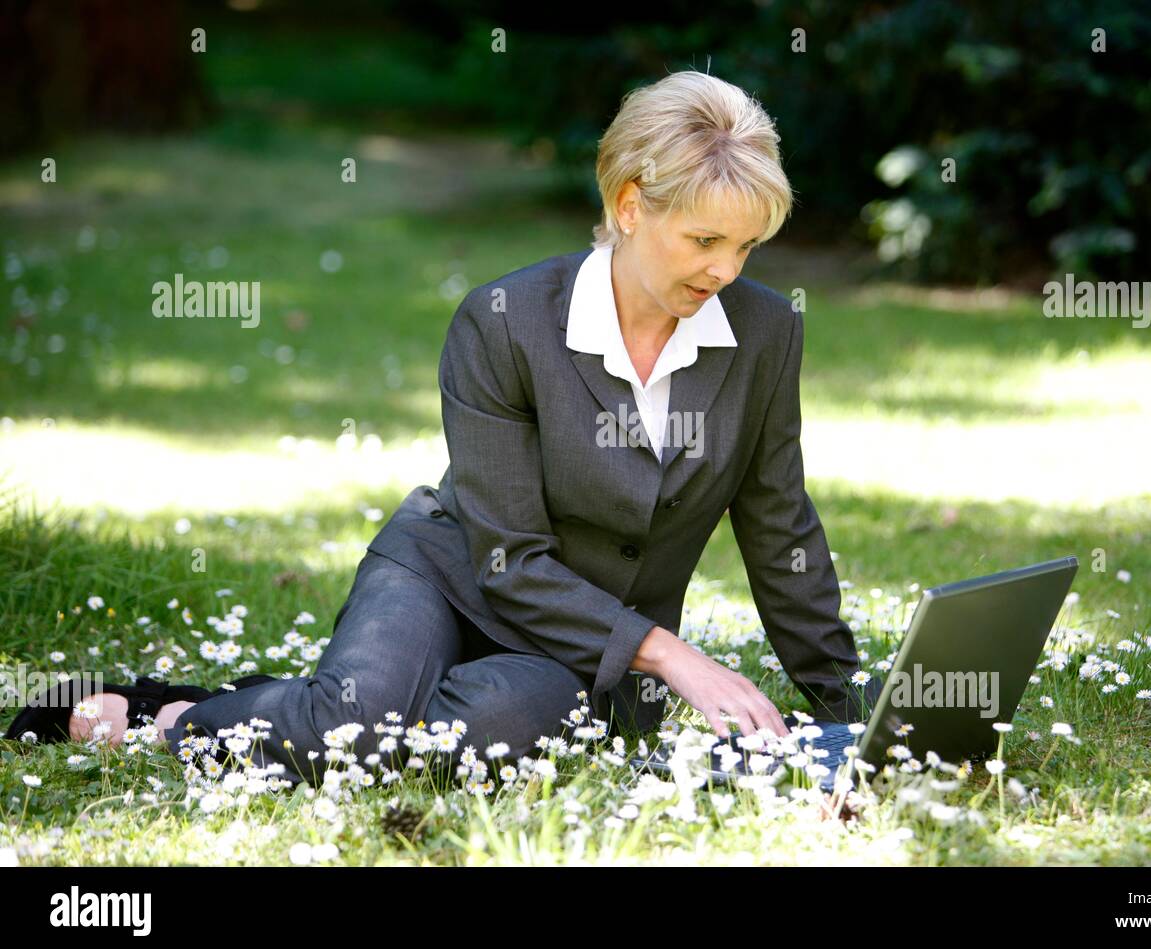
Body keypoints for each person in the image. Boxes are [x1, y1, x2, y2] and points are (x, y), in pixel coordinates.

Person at [40, 68, 870, 787]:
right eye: (705, 239)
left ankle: (341, 699)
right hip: (454, 571)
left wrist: (859, 719)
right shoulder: (503, 323)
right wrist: (674, 655)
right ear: (628, 206)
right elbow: (507, 560)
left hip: (585, 651)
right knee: (354, 731)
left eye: (748, 246)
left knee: (484, 736)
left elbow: (778, 527)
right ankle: (174, 715)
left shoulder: (764, 334)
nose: (726, 270)